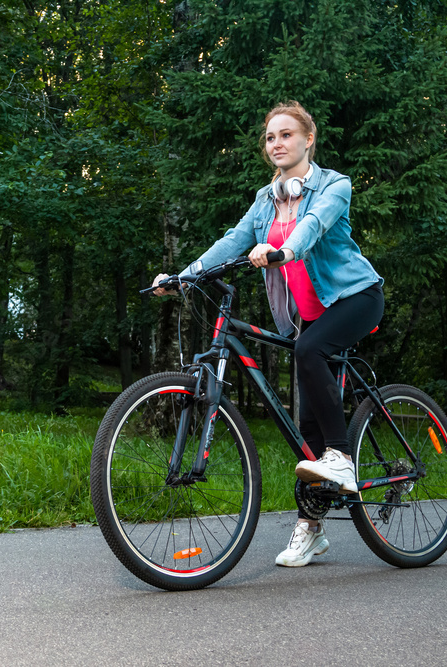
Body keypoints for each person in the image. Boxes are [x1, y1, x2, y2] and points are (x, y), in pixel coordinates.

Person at [153, 100, 384, 567]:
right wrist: (183, 274)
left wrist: (282, 250)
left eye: (286, 135)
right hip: (310, 316)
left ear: (308, 139)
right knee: (308, 426)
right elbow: (234, 240)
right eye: (270, 137)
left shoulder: (334, 185)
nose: (276, 143)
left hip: (355, 297)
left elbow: (313, 226)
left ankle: (342, 456)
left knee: (309, 351)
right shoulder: (265, 199)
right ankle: (312, 526)